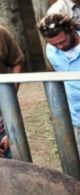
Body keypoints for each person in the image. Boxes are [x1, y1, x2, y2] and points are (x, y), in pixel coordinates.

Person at [38, 13, 80, 150]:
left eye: (62, 41)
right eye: (54, 44)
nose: (60, 47)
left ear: (71, 30)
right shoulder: (51, 50)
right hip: (75, 116)